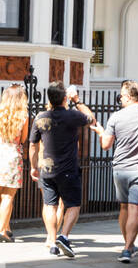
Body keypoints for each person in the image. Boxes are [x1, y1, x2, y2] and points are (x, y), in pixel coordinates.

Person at [28, 83, 96, 258]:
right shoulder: (71, 115)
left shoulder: (40, 117)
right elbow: (91, 118)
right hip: (68, 170)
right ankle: (64, 236)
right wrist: (77, 100)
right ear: (64, 98)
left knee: (50, 205)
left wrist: (33, 166)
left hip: (47, 169)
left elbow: (33, 146)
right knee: (73, 205)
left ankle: (52, 241)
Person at [91, 80, 138, 263]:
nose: (119, 99)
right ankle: (127, 248)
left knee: (123, 208)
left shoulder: (116, 117)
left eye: (121, 96)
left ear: (129, 97)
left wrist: (100, 132)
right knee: (134, 209)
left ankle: (128, 246)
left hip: (119, 168)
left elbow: (106, 145)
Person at [0, 84, 28, 242]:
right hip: (12, 156)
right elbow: (22, 139)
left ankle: (7, 227)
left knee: (3, 195)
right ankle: (1, 231)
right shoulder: (23, 115)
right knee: (9, 196)